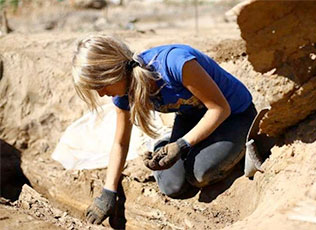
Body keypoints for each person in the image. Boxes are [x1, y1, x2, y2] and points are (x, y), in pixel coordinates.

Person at [71, 34, 257, 225]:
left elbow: (220, 108)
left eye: (100, 86)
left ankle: (240, 143)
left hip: (234, 114)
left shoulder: (175, 63)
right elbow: (120, 142)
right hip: (192, 118)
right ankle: (165, 143)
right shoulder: (123, 94)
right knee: (172, 185)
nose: (101, 94)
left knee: (200, 173)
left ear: (111, 72)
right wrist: (108, 192)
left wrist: (182, 144)